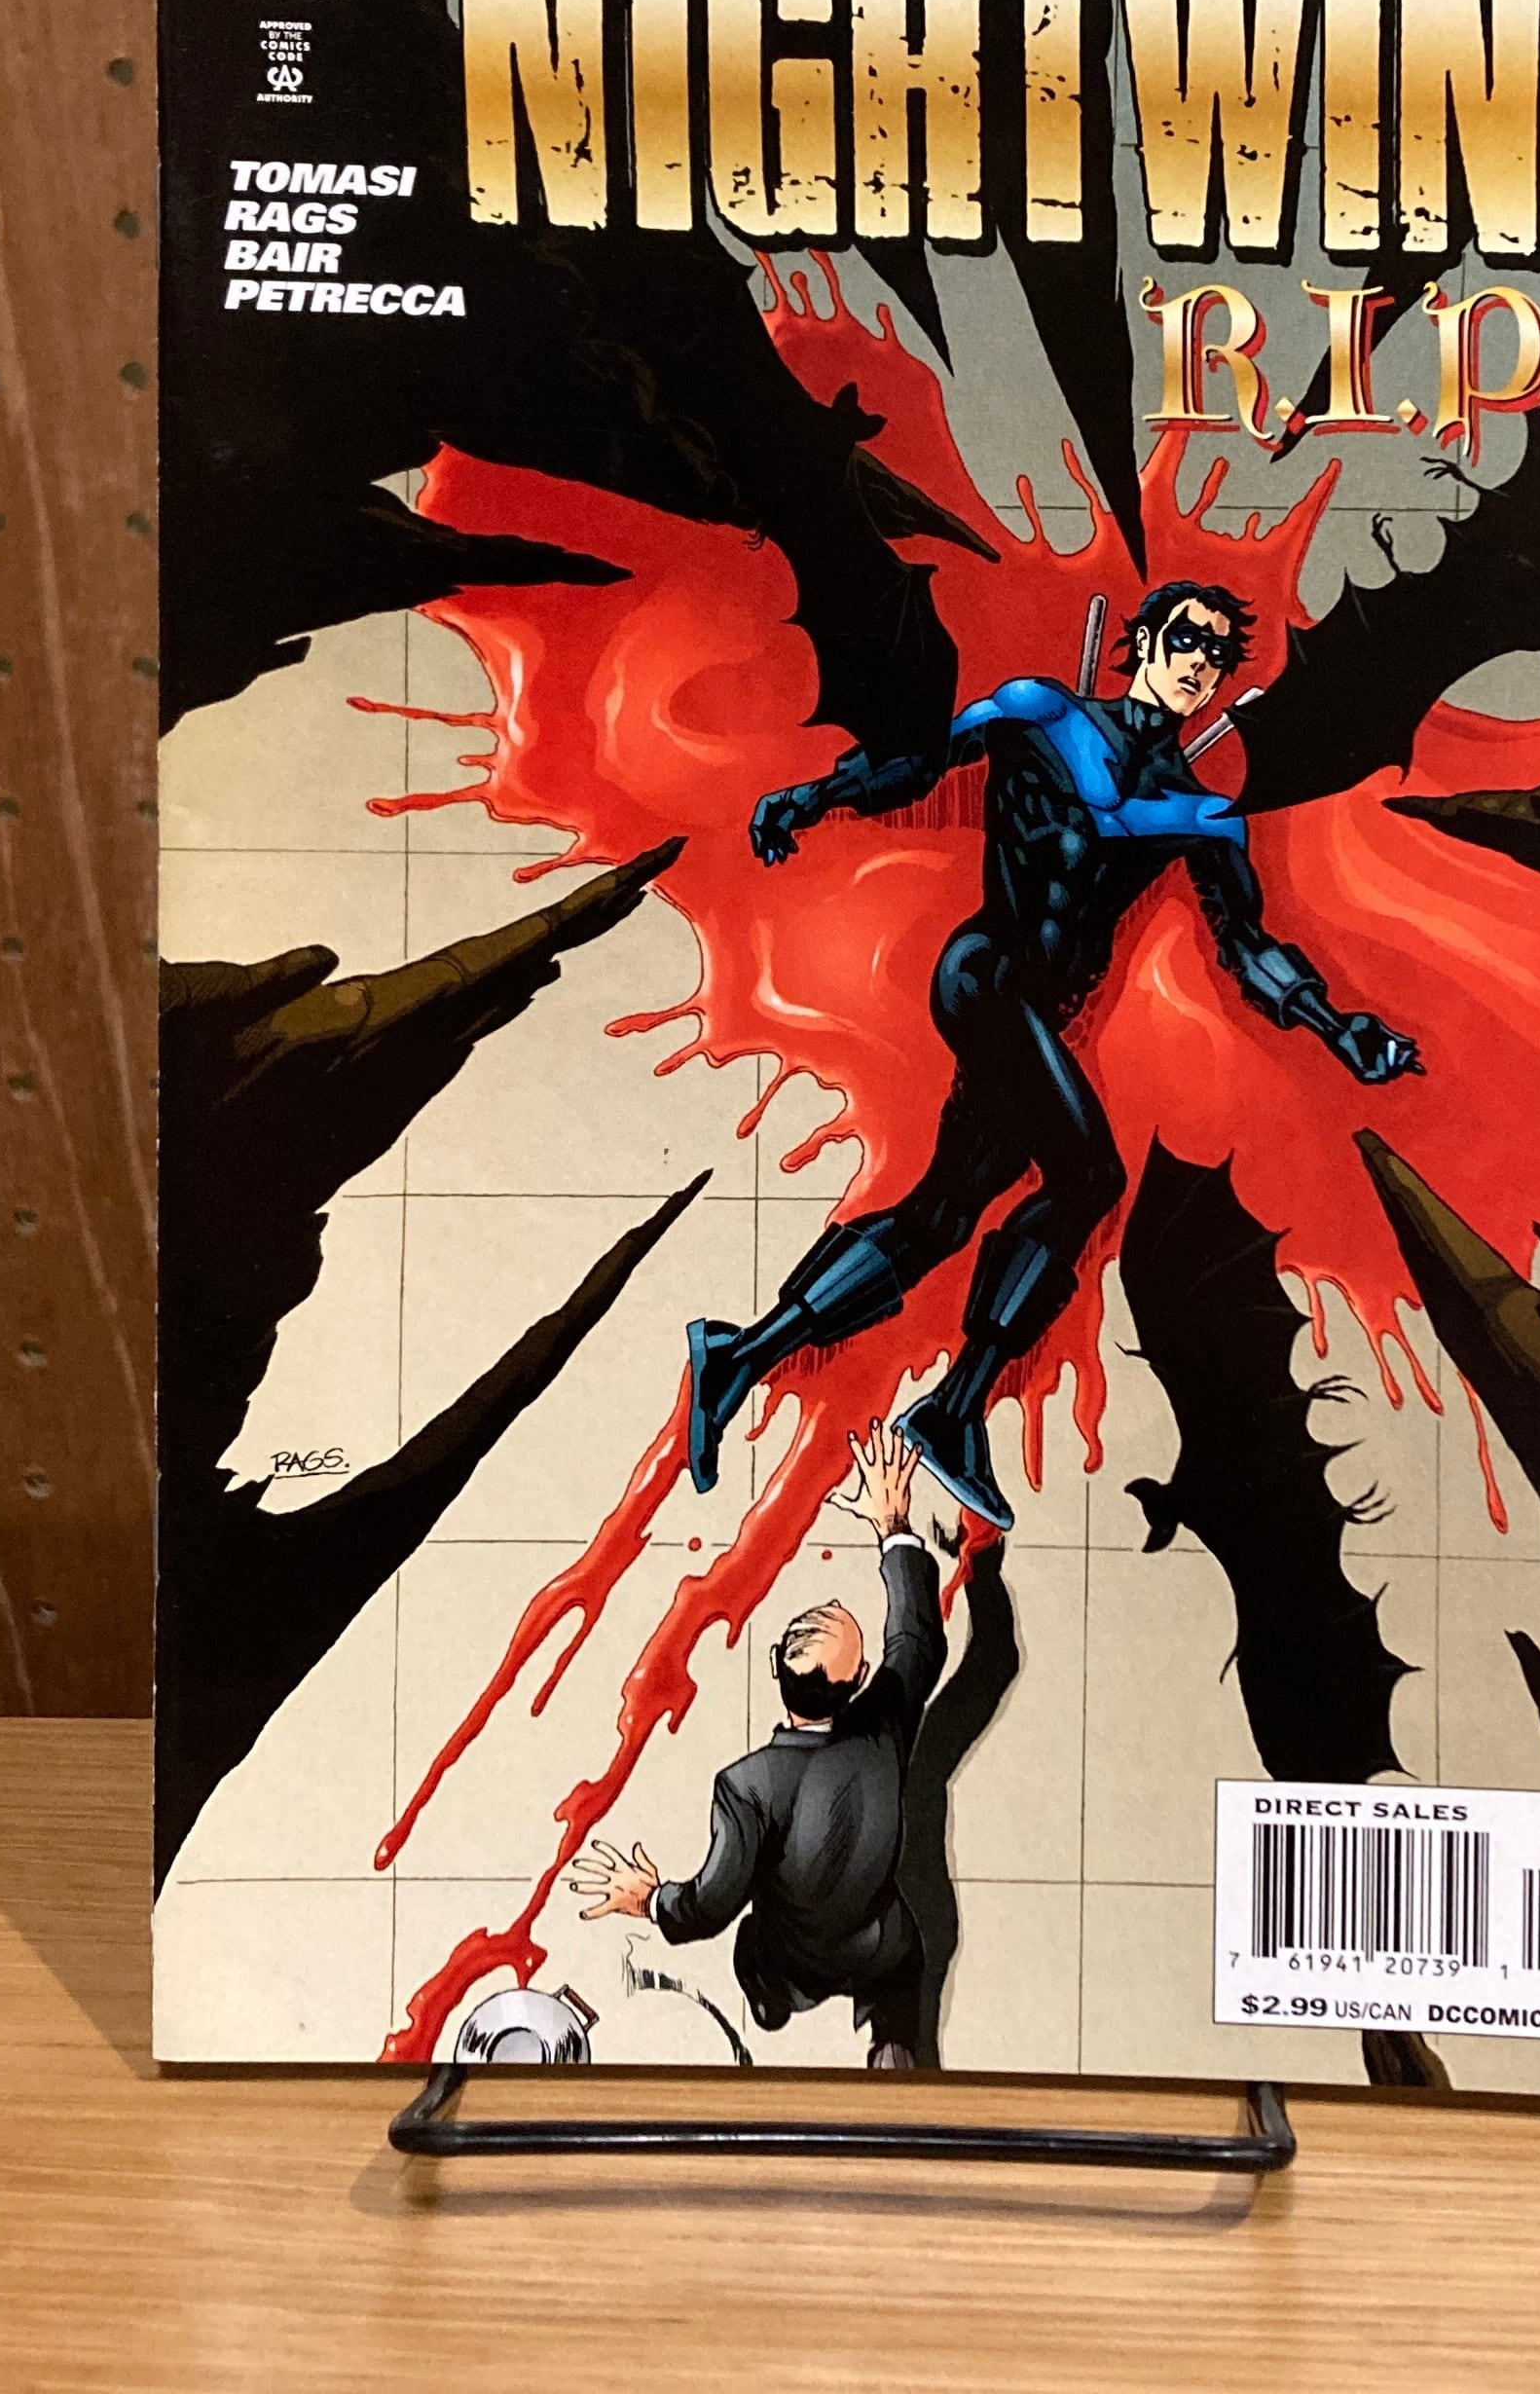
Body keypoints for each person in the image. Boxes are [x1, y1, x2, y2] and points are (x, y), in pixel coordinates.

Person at [682, 579, 1419, 1528]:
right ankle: (953, 1411)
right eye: (1185, 641)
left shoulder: (1200, 813)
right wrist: (814, 796)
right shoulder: (1043, 715)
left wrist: (1336, 1026)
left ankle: (739, 1355)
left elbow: (1247, 945)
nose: (1198, 664)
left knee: (942, 1214)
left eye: (1215, 656)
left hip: (1042, 1014)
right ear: (1142, 641)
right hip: (985, 979)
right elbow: (923, 760)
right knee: (1086, 1177)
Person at [570, 1422, 943, 2070]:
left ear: (776, 1668)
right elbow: (917, 1639)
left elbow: (712, 1904)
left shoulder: (746, 1785)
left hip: (791, 1956)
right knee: (899, 1968)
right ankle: (892, 2049)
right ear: (860, 1681)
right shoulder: (884, 1725)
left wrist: (650, 1899)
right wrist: (893, 1523)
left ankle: (772, 2003)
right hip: (879, 1943)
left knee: (751, 1945)